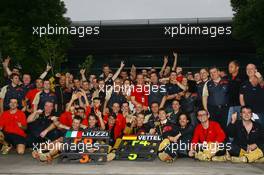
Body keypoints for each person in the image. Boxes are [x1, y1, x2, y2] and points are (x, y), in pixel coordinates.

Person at [227, 60, 245, 125]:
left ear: (237, 68)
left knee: (240, 124)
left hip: (240, 105)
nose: (229, 68)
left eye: (231, 66)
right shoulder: (228, 78)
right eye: (229, 67)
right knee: (230, 124)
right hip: (230, 106)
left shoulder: (243, 77)